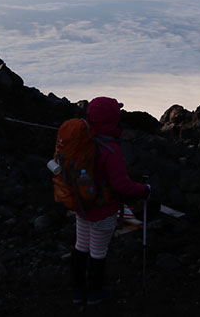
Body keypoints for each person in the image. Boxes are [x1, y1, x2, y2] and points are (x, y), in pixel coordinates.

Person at [70, 96, 150, 305]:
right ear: (111, 120)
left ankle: (77, 291)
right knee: (98, 251)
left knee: (81, 246)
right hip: (103, 211)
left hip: (81, 206)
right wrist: (144, 190)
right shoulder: (110, 150)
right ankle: (95, 293)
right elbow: (121, 185)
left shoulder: (80, 142)